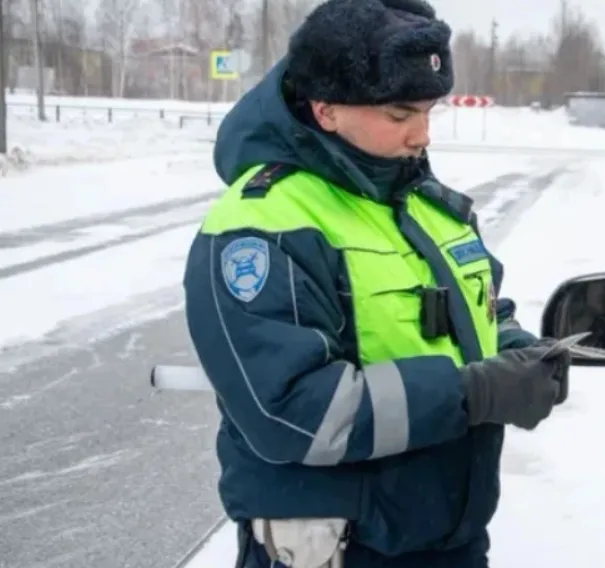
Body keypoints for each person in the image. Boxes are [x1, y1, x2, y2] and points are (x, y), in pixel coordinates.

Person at [181, 1, 571, 566]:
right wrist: (475, 392)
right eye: (399, 114)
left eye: (430, 111)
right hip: (339, 549)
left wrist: (513, 346)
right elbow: (291, 412)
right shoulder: (262, 225)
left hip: (448, 539)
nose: (422, 136)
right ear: (326, 109)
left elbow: (482, 304)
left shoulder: (424, 203)